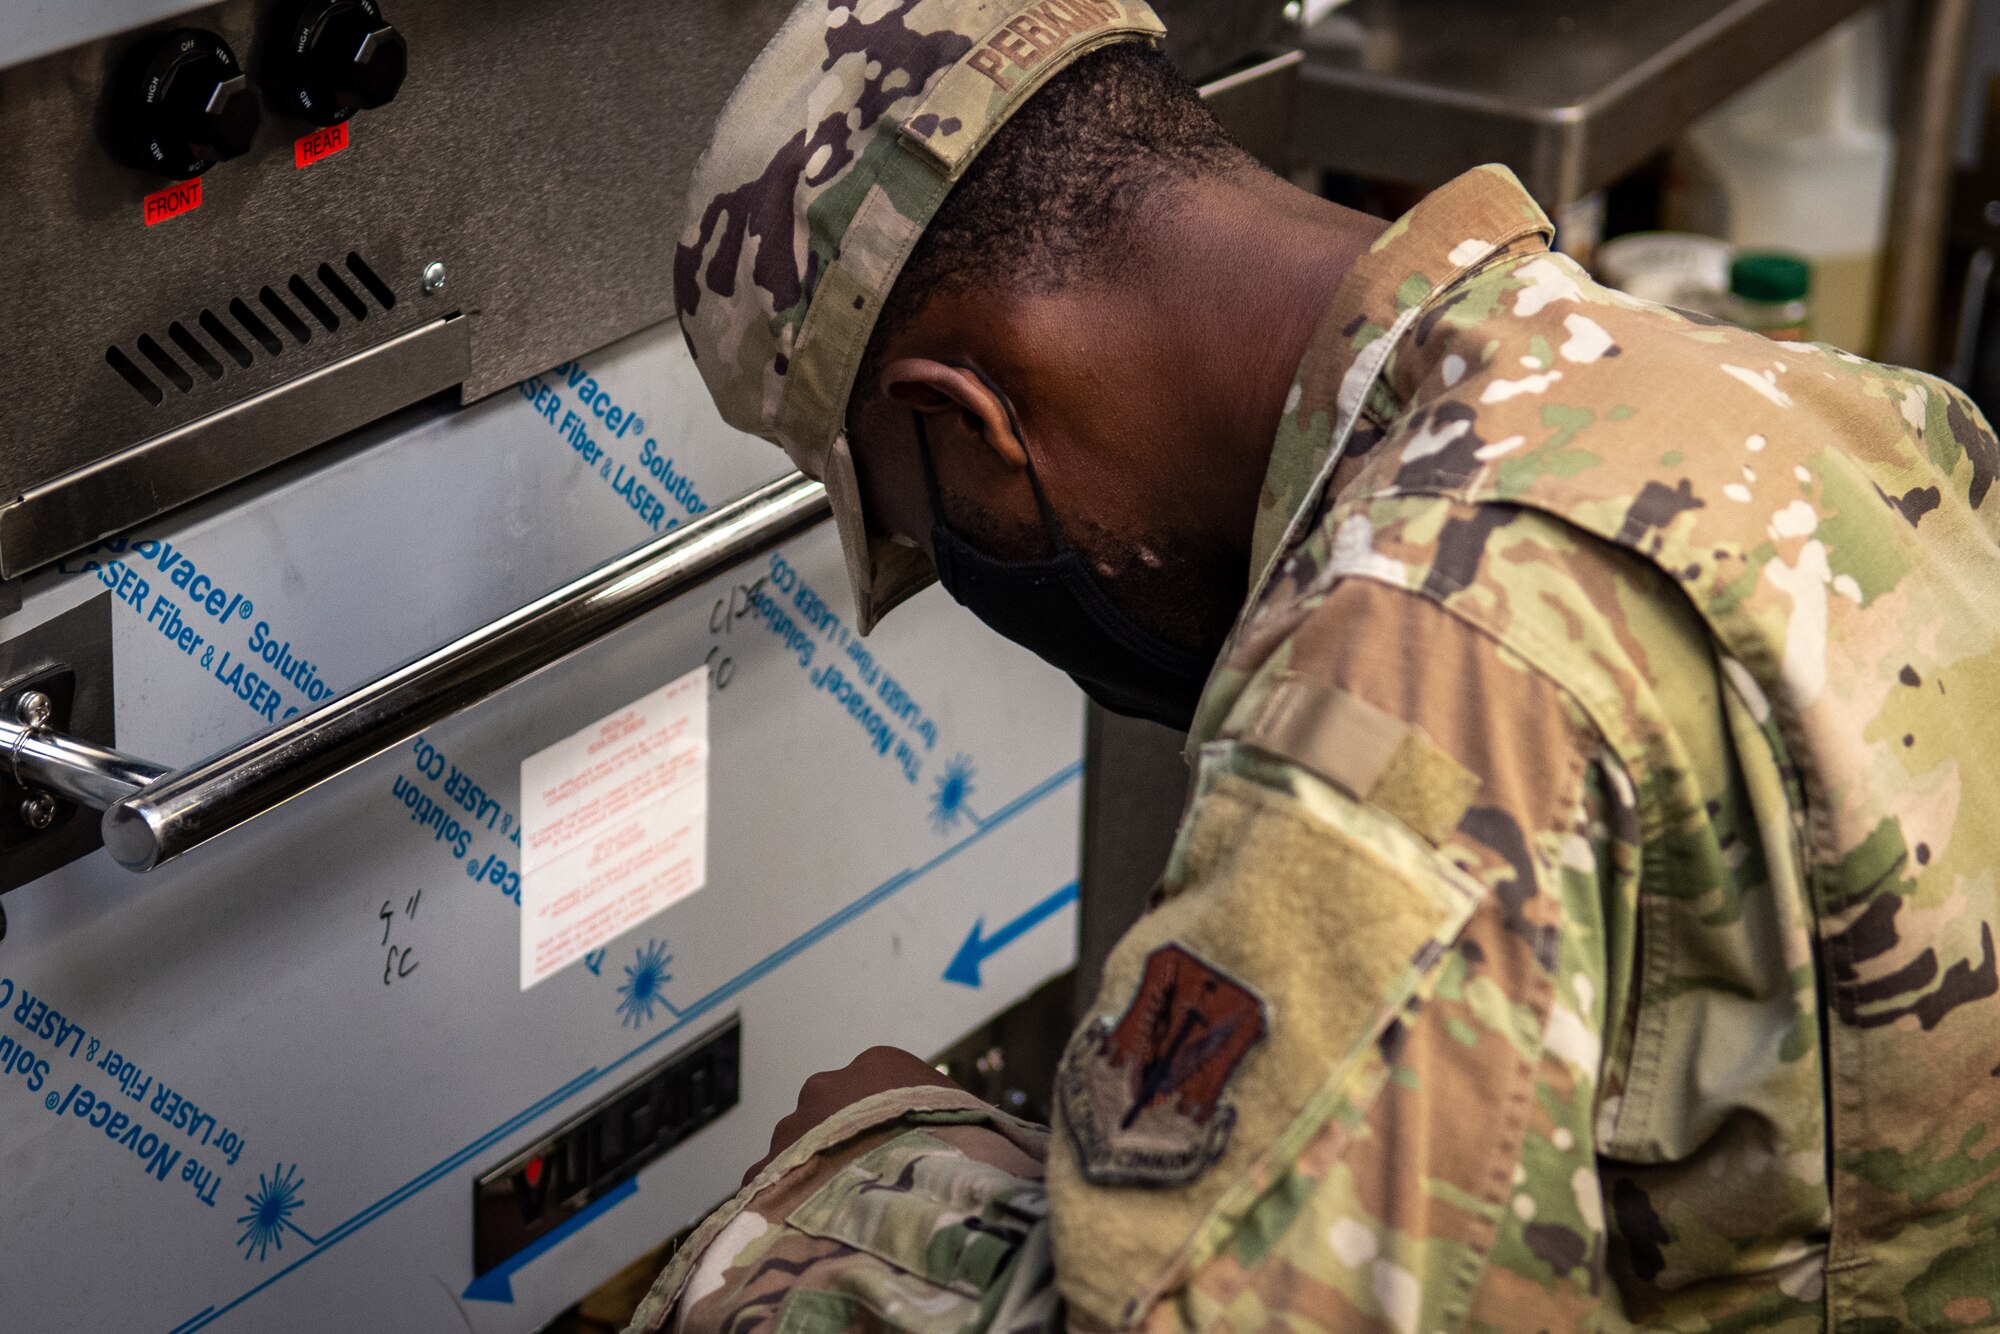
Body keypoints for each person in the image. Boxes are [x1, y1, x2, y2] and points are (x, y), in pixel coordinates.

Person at [634, 1, 2000, 1328]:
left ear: (971, 420)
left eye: (946, 539)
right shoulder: (1814, 406)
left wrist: (852, 1187)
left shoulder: (1411, 680)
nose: (990, 580)